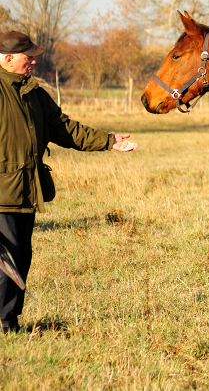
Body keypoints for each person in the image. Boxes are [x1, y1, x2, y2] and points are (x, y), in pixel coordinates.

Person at [0, 30, 138, 333]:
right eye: (28, 56)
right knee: (6, 262)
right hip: (1, 194)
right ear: (8, 59)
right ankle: (4, 323)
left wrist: (108, 141)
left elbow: (64, 129)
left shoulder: (34, 93)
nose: (34, 60)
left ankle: (9, 319)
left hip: (26, 190)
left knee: (22, 257)